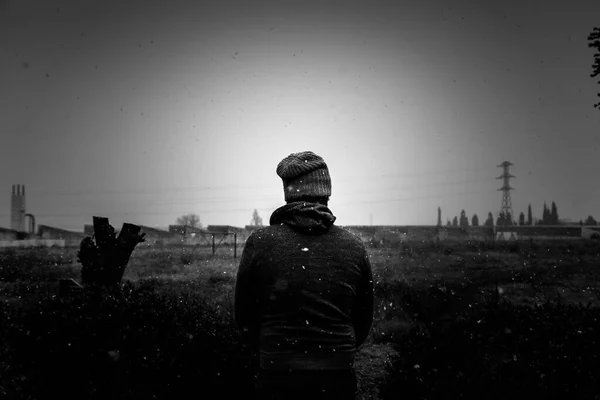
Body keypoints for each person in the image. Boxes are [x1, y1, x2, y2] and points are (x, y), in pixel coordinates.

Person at [234, 151, 374, 400]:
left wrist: (273, 348)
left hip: (277, 371)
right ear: (327, 193)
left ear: (288, 192)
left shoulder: (260, 242)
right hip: (337, 371)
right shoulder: (353, 245)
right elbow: (363, 317)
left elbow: (244, 315)